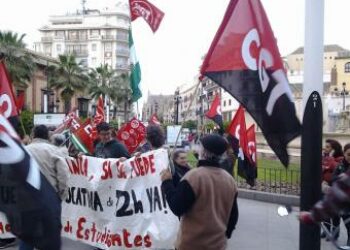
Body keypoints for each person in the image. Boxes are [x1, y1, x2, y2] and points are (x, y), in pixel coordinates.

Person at [161, 134, 238, 250]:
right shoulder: (229, 180)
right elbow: (233, 216)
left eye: (199, 146)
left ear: (204, 151)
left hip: (191, 244)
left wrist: (167, 183)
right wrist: (224, 235)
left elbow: (176, 207)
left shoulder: (194, 177)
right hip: (218, 245)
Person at [19, 125, 70, 250]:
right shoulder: (54, 151)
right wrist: (60, 197)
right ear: (48, 136)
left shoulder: (23, 151)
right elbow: (63, 177)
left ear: (33, 135)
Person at [321, 139, 343, 239]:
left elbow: (336, 170)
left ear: (334, 149)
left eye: (328, 147)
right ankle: (326, 230)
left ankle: (335, 233)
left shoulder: (339, 159)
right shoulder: (325, 158)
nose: (325, 148)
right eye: (325, 146)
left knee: (334, 213)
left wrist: (330, 159)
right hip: (324, 188)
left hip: (334, 189)